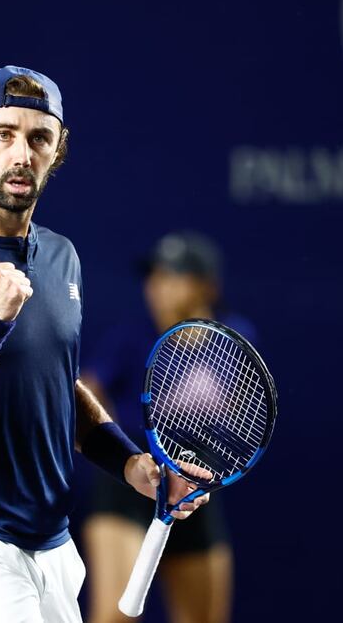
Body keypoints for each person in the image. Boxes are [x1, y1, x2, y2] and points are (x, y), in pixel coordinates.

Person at [0, 66, 209, 623]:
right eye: (3, 134)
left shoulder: (61, 257)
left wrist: (129, 464)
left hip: (52, 546)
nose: (21, 154)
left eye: (39, 138)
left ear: (57, 150)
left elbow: (57, 384)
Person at [81, 231, 255, 623]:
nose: (158, 287)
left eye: (174, 276)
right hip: (127, 486)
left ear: (207, 286)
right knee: (114, 617)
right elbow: (88, 391)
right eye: (154, 276)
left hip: (195, 489)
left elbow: (241, 412)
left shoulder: (235, 338)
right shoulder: (129, 337)